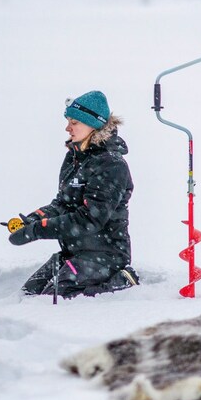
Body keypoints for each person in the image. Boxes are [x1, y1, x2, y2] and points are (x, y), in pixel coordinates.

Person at [9, 90, 138, 298]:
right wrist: (35, 218)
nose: (67, 128)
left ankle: (122, 279)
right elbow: (63, 203)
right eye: (68, 121)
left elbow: (90, 219)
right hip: (73, 253)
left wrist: (38, 230)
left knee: (54, 299)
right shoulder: (74, 158)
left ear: (94, 125)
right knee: (28, 294)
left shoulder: (112, 165)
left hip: (105, 257)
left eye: (74, 122)